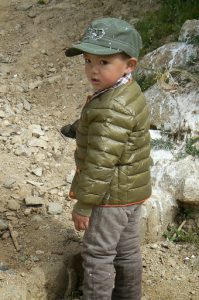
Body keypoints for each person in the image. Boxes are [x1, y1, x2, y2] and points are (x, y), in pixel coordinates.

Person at [64, 17, 152, 300]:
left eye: (104, 62)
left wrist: (85, 205)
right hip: (130, 192)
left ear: (130, 65)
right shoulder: (126, 90)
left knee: (98, 254)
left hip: (108, 197)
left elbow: (101, 163)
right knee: (126, 251)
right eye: (88, 61)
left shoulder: (112, 105)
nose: (92, 70)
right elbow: (112, 135)